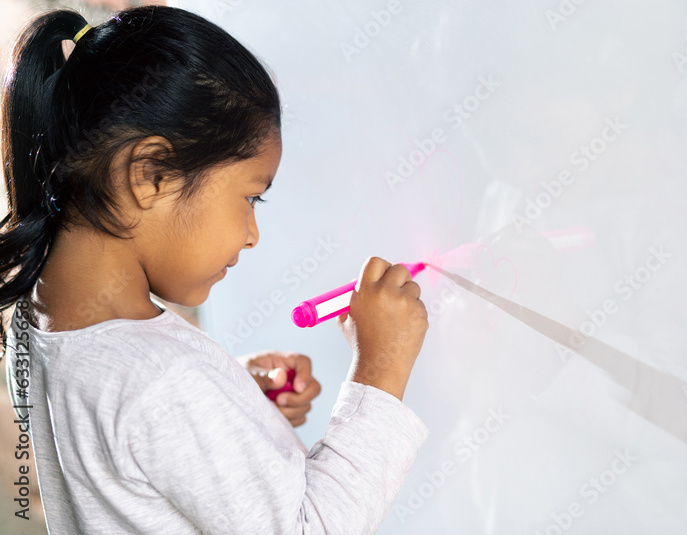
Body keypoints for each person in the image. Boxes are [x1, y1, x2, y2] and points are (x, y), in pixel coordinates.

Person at [0, 5, 429, 534]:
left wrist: (230, 405)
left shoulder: (38, 311)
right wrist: (381, 369)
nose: (252, 235)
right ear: (150, 174)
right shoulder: (164, 381)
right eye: (251, 197)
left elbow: (124, 433)